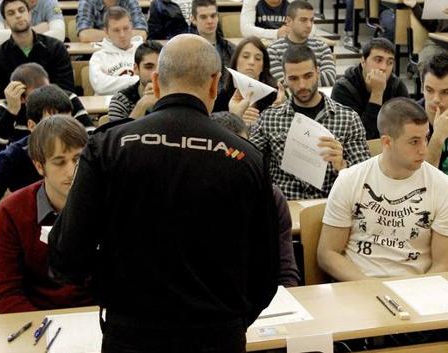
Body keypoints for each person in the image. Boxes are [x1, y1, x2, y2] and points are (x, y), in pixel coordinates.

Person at [48, 34, 279, 353]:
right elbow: (267, 272)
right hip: (216, 335)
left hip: (131, 333)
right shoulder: (246, 158)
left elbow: (67, 257)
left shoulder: (108, 146)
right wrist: (231, 322)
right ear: (215, 85)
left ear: (155, 82)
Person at [317, 97, 448, 280]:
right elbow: (328, 254)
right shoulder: (350, 179)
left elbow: (443, 264)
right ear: (387, 142)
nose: (424, 150)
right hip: (358, 285)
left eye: (426, 138)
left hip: (416, 288)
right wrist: (371, 287)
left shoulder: (446, 188)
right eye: (414, 141)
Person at [0, 113, 93, 314]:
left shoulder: (106, 200)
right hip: (38, 325)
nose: (72, 171)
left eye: (77, 159)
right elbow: (6, 294)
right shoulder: (11, 211)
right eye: (59, 162)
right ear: (39, 166)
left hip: (97, 320)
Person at [249, 45, 370, 200]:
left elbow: (365, 179)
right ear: (284, 79)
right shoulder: (269, 118)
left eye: (308, 76)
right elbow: (249, 163)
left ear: (318, 73)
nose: (302, 85)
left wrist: (342, 166)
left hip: (331, 205)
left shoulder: (348, 118)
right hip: (287, 207)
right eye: (293, 78)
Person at [0, 84, 77, 229]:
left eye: (67, 123)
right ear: (32, 126)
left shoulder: (83, 150)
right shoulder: (12, 156)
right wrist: (25, 221)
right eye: (52, 125)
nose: (62, 133)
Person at [211, 111, 300, 287]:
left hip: (258, 294)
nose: (235, 158)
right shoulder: (191, 193)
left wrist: (288, 296)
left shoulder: (271, 196)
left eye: (241, 150)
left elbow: (285, 267)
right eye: (227, 150)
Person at [0, 63, 93, 164]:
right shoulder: (9, 107)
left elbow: (92, 141)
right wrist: (11, 112)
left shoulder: (66, 99)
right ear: (22, 97)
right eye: (35, 95)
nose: (43, 96)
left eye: (46, 89)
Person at [0, 0, 75, 100]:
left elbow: (67, 92)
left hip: (51, 111)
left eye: (21, 10)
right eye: (11, 13)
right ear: (5, 22)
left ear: (29, 14)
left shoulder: (56, 49)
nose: (18, 15)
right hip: (14, 113)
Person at [331, 38, 409, 139]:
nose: (384, 67)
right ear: (363, 62)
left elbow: (406, 128)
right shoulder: (343, 88)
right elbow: (361, 137)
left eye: (389, 62)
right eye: (378, 60)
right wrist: (377, 93)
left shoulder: (397, 86)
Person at [268, 0, 336, 87]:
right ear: (288, 21)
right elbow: (281, 82)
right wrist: (312, 77)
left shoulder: (322, 47)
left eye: (311, 20)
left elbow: (329, 79)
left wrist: (295, 78)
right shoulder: (274, 50)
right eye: (303, 20)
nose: (309, 25)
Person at [219, 36, 282, 122]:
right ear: (236, 62)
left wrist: (280, 109)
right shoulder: (222, 96)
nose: (251, 62)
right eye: (245, 56)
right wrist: (235, 117)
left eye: (258, 58)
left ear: (263, 66)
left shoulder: (274, 95)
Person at [89, 7, 144, 96]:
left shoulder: (144, 52)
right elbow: (100, 86)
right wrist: (138, 80)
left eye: (126, 28)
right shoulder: (99, 57)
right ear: (106, 31)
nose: (122, 35)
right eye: (116, 30)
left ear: (132, 27)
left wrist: (114, 82)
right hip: (107, 107)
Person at [191, 0, 235, 98]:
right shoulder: (186, 51)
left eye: (213, 16)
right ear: (193, 19)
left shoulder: (231, 49)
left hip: (227, 104)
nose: (210, 21)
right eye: (203, 17)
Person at [108, 40, 163, 120]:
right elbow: (117, 132)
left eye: (161, 67)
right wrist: (142, 105)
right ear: (136, 69)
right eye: (148, 67)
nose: (155, 73)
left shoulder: (174, 97)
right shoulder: (120, 100)